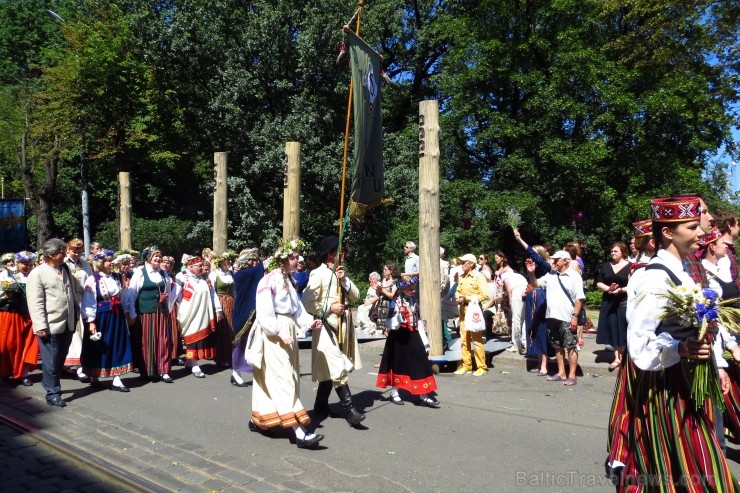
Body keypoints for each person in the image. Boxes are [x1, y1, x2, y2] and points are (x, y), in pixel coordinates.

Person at [616, 196, 737, 490]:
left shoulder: (682, 270)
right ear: (668, 233)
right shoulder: (654, 278)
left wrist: (716, 363)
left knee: (686, 465)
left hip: (691, 379)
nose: (701, 233)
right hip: (670, 386)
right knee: (695, 467)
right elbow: (640, 342)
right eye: (692, 227)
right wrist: (678, 348)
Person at [249, 239, 324, 448]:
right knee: (283, 379)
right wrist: (278, 331)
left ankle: (261, 419)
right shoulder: (268, 281)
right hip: (275, 334)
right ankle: (299, 432)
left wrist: (309, 322)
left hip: (288, 330)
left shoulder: (289, 280)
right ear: (282, 259)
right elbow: (264, 312)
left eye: (297, 256)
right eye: (293, 257)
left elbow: (297, 309)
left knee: (284, 376)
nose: (297, 260)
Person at [302, 235, 365, 427]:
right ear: (330, 254)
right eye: (341, 250)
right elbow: (307, 302)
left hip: (343, 328)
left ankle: (320, 406)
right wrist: (329, 308)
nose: (344, 254)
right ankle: (350, 411)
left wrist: (345, 280)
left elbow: (356, 297)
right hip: (326, 328)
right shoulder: (318, 273)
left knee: (329, 369)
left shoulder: (340, 273)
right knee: (338, 366)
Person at [26, 239, 79, 407]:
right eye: (62, 253)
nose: (65, 255)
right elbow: (35, 301)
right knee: (51, 360)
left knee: (59, 359)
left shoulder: (65, 269)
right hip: (50, 324)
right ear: (50, 255)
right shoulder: (38, 273)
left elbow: (74, 291)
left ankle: (48, 381)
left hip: (68, 322)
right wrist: (40, 324)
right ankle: (53, 393)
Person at [376, 275, 440, 407]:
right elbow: (387, 322)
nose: (412, 291)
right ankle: (394, 392)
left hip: (413, 334)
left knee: (421, 361)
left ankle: (423, 394)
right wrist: (399, 315)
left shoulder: (413, 300)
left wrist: (424, 335)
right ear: (403, 289)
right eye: (409, 289)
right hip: (398, 336)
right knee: (398, 363)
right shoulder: (395, 301)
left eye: (413, 288)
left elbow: (417, 317)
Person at [526, 250, 584, 386]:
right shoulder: (551, 275)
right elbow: (536, 284)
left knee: (570, 346)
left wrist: (575, 317)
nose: (554, 262)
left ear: (566, 261)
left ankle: (572, 375)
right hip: (552, 317)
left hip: (567, 317)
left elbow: (579, 299)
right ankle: (561, 372)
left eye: (557, 259)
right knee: (558, 346)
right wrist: (531, 272)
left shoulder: (575, 276)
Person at [80, 249, 134, 392]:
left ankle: (116, 378)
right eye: (108, 261)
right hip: (102, 317)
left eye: (111, 260)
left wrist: (127, 311)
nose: (111, 263)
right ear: (100, 263)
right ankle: (94, 374)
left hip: (117, 316)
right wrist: (90, 321)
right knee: (99, 346)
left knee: (117, 344)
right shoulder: (93, 279)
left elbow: (124, 296)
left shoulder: (117, 277)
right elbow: (89, 301)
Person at [127, 246, 178, 383]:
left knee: (164, 340)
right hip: (146, 313)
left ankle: (164, 370)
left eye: (159, 256)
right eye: (155, 256)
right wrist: (132, 313)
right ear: (148, 258)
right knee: (146, 342)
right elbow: (132, 295)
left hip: (161, 312)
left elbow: (168, 290)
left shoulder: (163, 274)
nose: (158, 258)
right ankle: (147, 370)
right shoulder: (140, 273)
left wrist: (166, 305)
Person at [176, 256, 222, 378]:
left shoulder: (205, 279)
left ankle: (190, 362)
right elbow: (175, 295)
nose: (202, 268)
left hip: (202, 314)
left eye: (202, 266)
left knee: (198, 340)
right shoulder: (182, 277)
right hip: (188, 313)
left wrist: (218, 309)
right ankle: (194, 364)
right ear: (190, 266)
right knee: (191, 341)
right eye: (199, 266)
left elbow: (213, 295)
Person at [0, 251, 38, 386]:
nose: (27, 266)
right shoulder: (6, 275)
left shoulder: (35, 275)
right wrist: (5, 296)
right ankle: (5, 371)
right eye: (24, 264)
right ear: (17, 263)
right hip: (11, 314)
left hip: (30, 314)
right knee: (9, 345)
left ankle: (24, 374)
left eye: (29, 264)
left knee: (29, 345)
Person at [231, 248, 264, 387]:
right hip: (244, 312)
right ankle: (235, 372)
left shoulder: (249, 273)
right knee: (241, 341)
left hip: (252, 310)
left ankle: (254, 368)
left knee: (254, 340)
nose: (256, 263)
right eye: (253, 260)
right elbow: (257, 271)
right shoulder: (242, 275)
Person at [595, 242, 630, 371]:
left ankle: (626, 357)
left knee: (624, 328)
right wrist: (608, 289)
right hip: (609, 302)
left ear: (623, 252)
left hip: (623, 302)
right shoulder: (606, 265)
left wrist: (621, 290)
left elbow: (633, 284)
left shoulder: (630, 266)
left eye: (616, 251)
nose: (613, 253)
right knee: (613, 328)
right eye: (612, 251)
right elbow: (599, 282)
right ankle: (617, 358)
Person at [453, 253, 490, 376]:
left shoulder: (479, 277)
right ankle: (466, 365)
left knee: (477, 339)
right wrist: (458, 296)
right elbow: (458, 291)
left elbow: (485, 295)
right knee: (464, 339)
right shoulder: (462, 277)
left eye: (464, 262)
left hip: (474, 311)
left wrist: (467, 298)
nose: (462, 265)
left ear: (472, 264)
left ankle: (482, 367)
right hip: (463, 311)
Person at [63, 238, 92, 381]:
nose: (77, 254)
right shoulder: (63, 264)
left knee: (80, 335)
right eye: (74, 251)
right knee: (71, 335)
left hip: (82, 301)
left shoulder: (86, 264)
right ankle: (65, 364)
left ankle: (80, 367)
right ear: (68, 250)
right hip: (68, 302)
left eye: (80, 251)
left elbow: (91, 281)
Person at [210, 252, 235, 368]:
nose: (229, 262)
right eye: (227, 260)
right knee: (222, 330)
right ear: (221, 262)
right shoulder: (214, 274)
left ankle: (231, 356)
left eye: (230, 260)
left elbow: (234, 290)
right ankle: (221, 357)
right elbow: (212, 292)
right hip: (220, 302)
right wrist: (217, 308)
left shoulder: (231, 273)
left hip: (231, 302)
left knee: (232, 329)